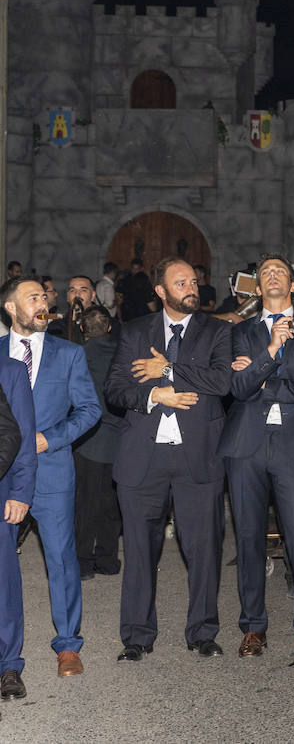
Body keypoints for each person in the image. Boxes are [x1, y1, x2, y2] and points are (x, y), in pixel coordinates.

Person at [105, 258, 233, 661]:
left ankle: (202, 632)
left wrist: (171, 370)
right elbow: (115, 389)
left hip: (199, 457)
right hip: (144, 457)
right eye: (180, 283)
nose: (190, 288)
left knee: (203, 549)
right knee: (141, 550)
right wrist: (153, 395)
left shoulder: (217, 330)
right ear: (161, 291)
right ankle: (137, 637)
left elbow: (223, 380)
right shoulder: (134, 332)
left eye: (193, 281)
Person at [222, 255, 294, 657]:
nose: (271, 277)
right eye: (265, 272)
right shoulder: (240, 332)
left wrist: (263, 381)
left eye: (279, 272)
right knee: (249, 536)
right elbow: (237, 387)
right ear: (257, 285)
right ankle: (253, 627)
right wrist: (271, 351)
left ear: (293, 286)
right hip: (245, 444)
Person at [0, 276, 101, 686]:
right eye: (33, 297)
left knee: (61, 559)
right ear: (11, 308)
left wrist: (51, 437)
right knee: (5, 568)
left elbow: (90, 409)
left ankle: (68, 644)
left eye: (44, 296)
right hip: (6, 475)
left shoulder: (69, 354)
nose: (43, 302)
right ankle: (8, 657)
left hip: (52, 470)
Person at [72, 306, 123, 579]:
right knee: (110, 503)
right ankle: (108, 559)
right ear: (111, 328)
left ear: (82, 329)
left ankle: (82, 562)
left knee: (85, 503)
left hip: (88, 440)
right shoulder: (122, 353)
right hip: (118, 440)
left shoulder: (77, 355)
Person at [0, 351, 35, 703]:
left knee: (3, 583)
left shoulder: (9, 370)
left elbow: (20, 434)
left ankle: (9, 664)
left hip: (2, 489)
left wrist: (21, 492)